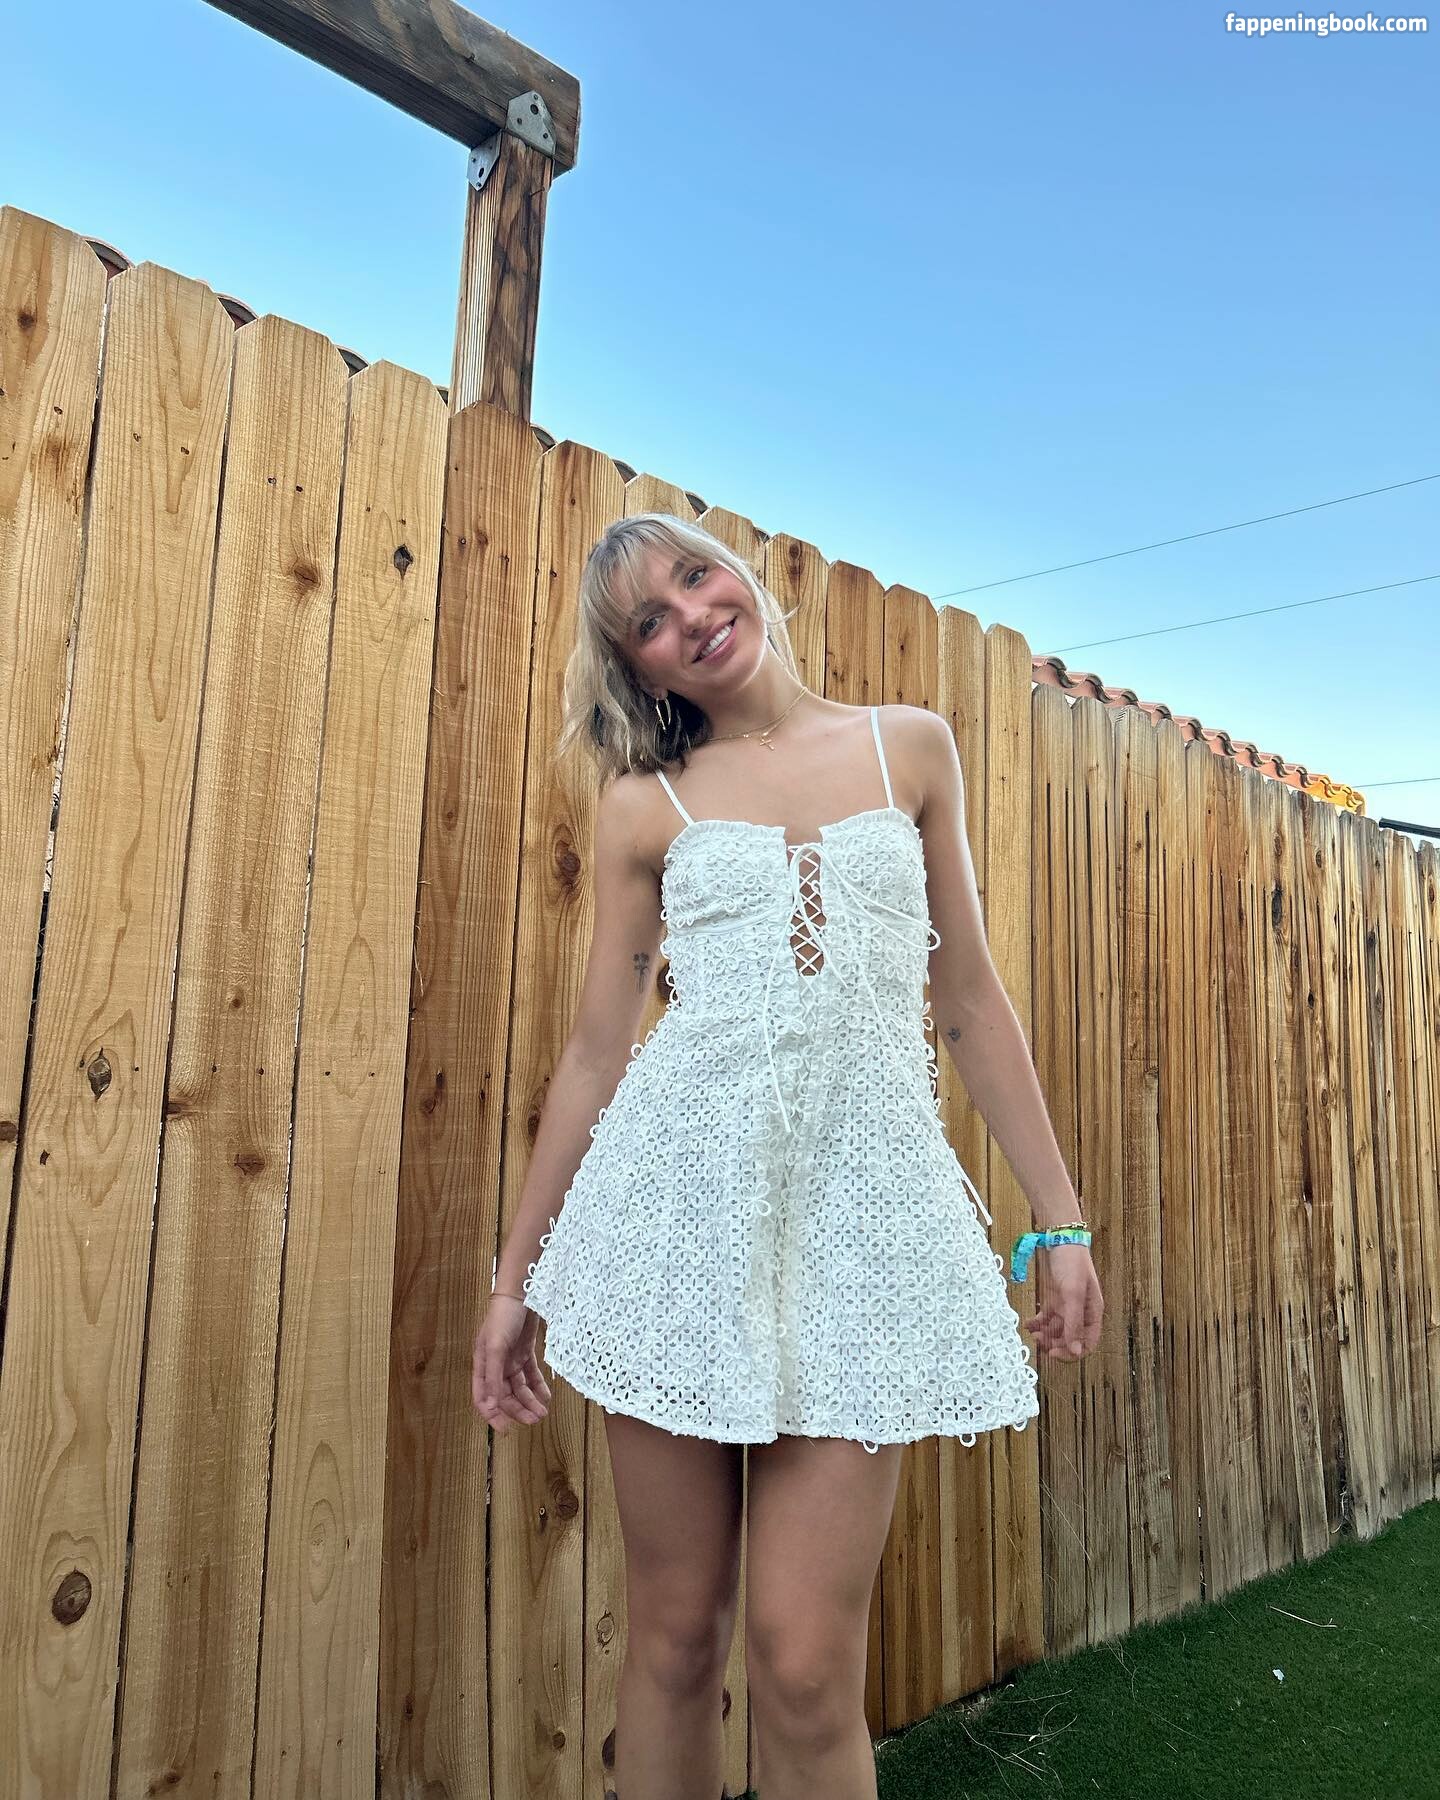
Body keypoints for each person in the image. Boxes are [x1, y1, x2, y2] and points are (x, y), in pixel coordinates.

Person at [473, 513, 1104, 1800]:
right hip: (677, 1225)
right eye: (649, 623)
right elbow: (596, 1055)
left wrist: (1060, 1219)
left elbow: (968, 1001)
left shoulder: (907, 745)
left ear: (742, 576)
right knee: (674, 1638)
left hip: (864, 1229)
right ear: (639, 669)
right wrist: (515, 1280)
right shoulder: (641, 807)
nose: (691, 617)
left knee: (806, 1665)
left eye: (694, 576)